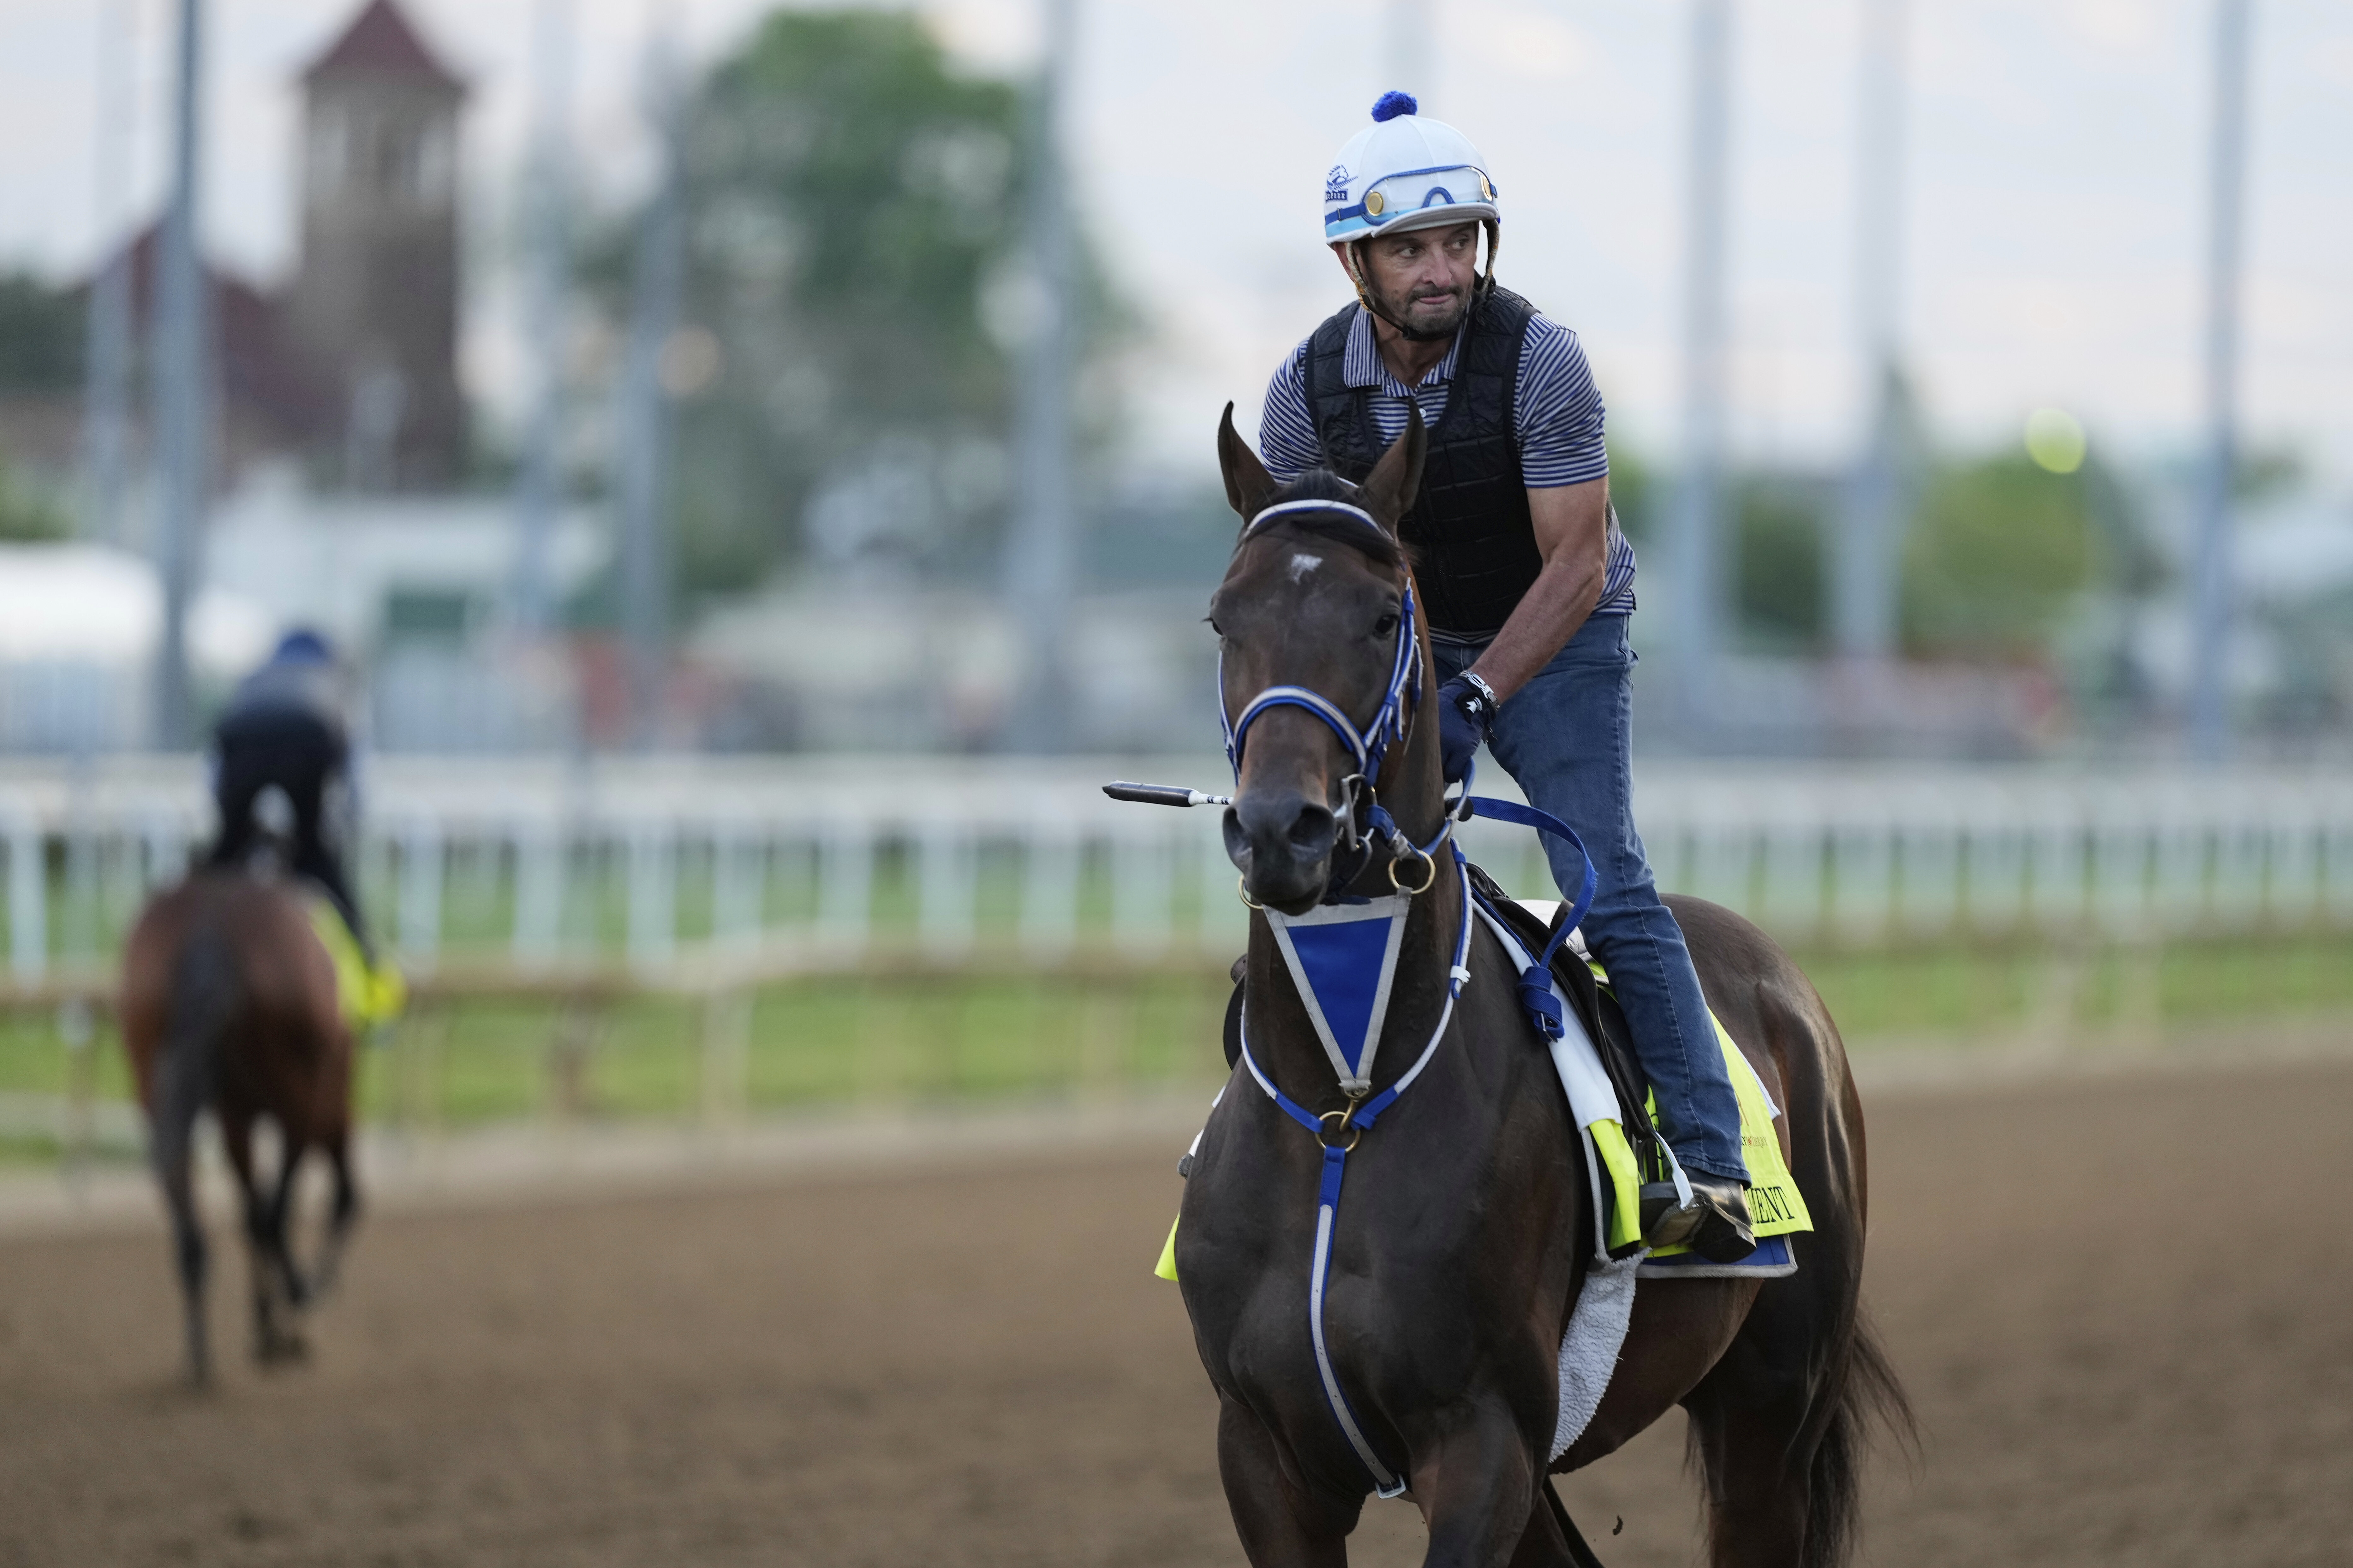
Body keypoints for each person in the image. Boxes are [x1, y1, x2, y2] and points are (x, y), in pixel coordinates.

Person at [1255, 92, 1754, 1262]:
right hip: (1413, 635)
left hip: (1559, 628)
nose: (1440, 270)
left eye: (1457, 241)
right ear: (1352, 260)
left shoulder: (1539, 360)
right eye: (1408, 248)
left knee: (1601, 867)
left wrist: (1476, 698)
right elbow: (1307, 579)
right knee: (1309, 859)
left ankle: (1709, 1158)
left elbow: (1575, 560)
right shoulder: (1299, 393)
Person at [208, 629, 371, 956]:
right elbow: (356, 771)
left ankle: (200, 934)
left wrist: (230, 828)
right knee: (316, 856)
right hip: (309, 736)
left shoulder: (253, 678)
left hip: (241, 739)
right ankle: (365, 959)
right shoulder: (336, 681)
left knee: (223, 860)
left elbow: (213, 766)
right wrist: (345, 828)